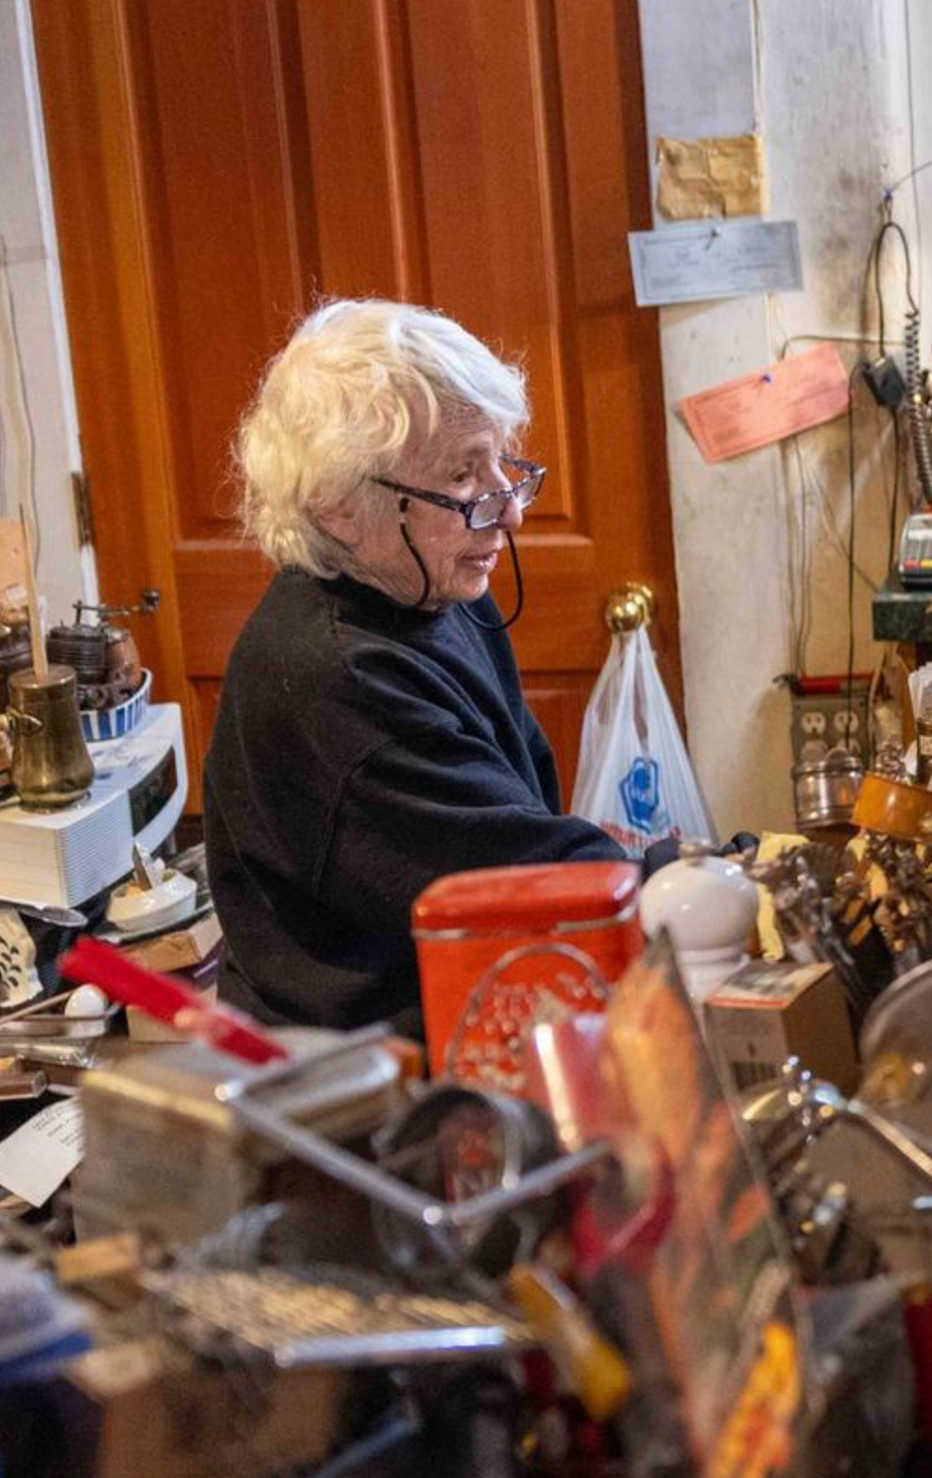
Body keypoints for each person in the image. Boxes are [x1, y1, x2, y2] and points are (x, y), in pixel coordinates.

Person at [204, 298, 638, 1032]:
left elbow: (514, 819)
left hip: (449, 1017)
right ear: (339, 506)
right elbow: (533, 885)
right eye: (465, 476)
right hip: (361, 1089)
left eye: (503, 460)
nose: (510, 511)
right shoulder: (343, 680)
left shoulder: (432, 585)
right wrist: (714, 881)